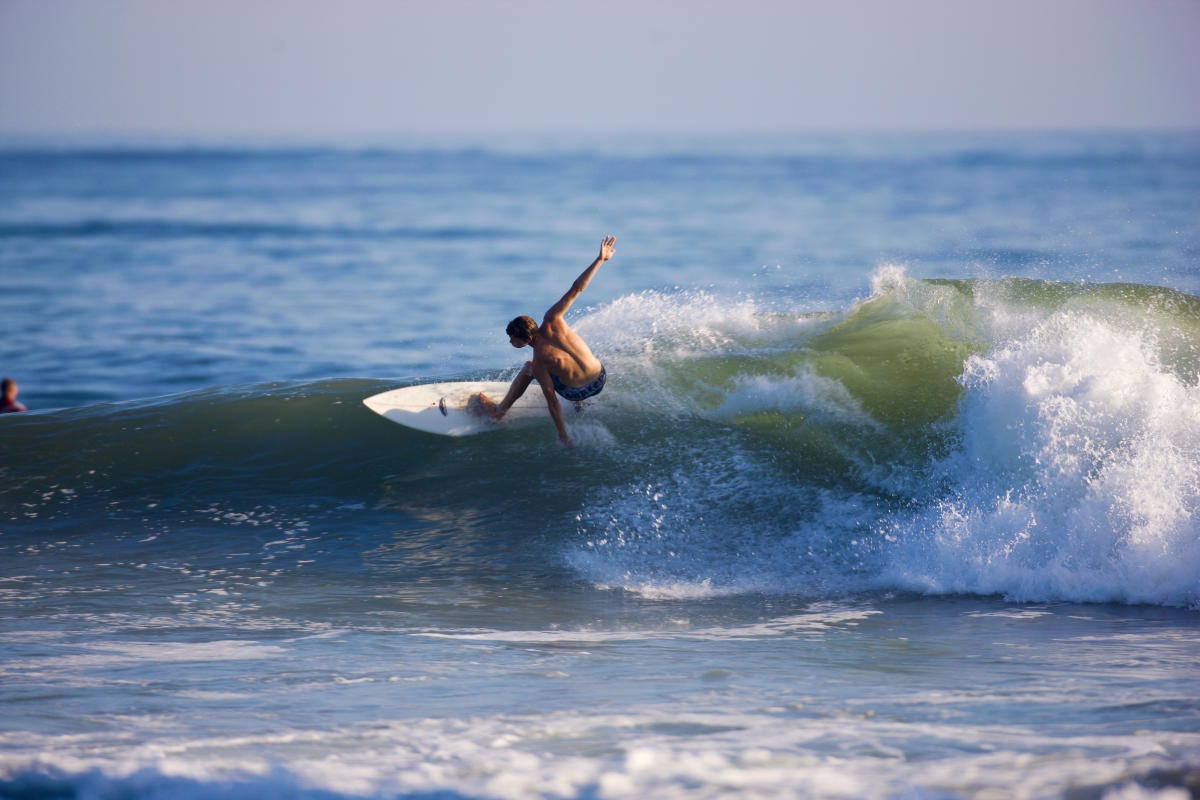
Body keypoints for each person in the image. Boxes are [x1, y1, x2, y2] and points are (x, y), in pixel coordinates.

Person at [475, 235, 615, 447]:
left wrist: (563, 435)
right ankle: (581, 405)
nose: (511, 343)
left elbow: (552, 401)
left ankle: (499, 411)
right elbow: (577, 288)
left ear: (525, 339)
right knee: (571, 355)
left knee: (528, 368)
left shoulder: (539, 360)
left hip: (578, 391)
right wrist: (600, 260)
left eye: (513, 340)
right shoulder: (553, 318)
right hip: (600, 378)